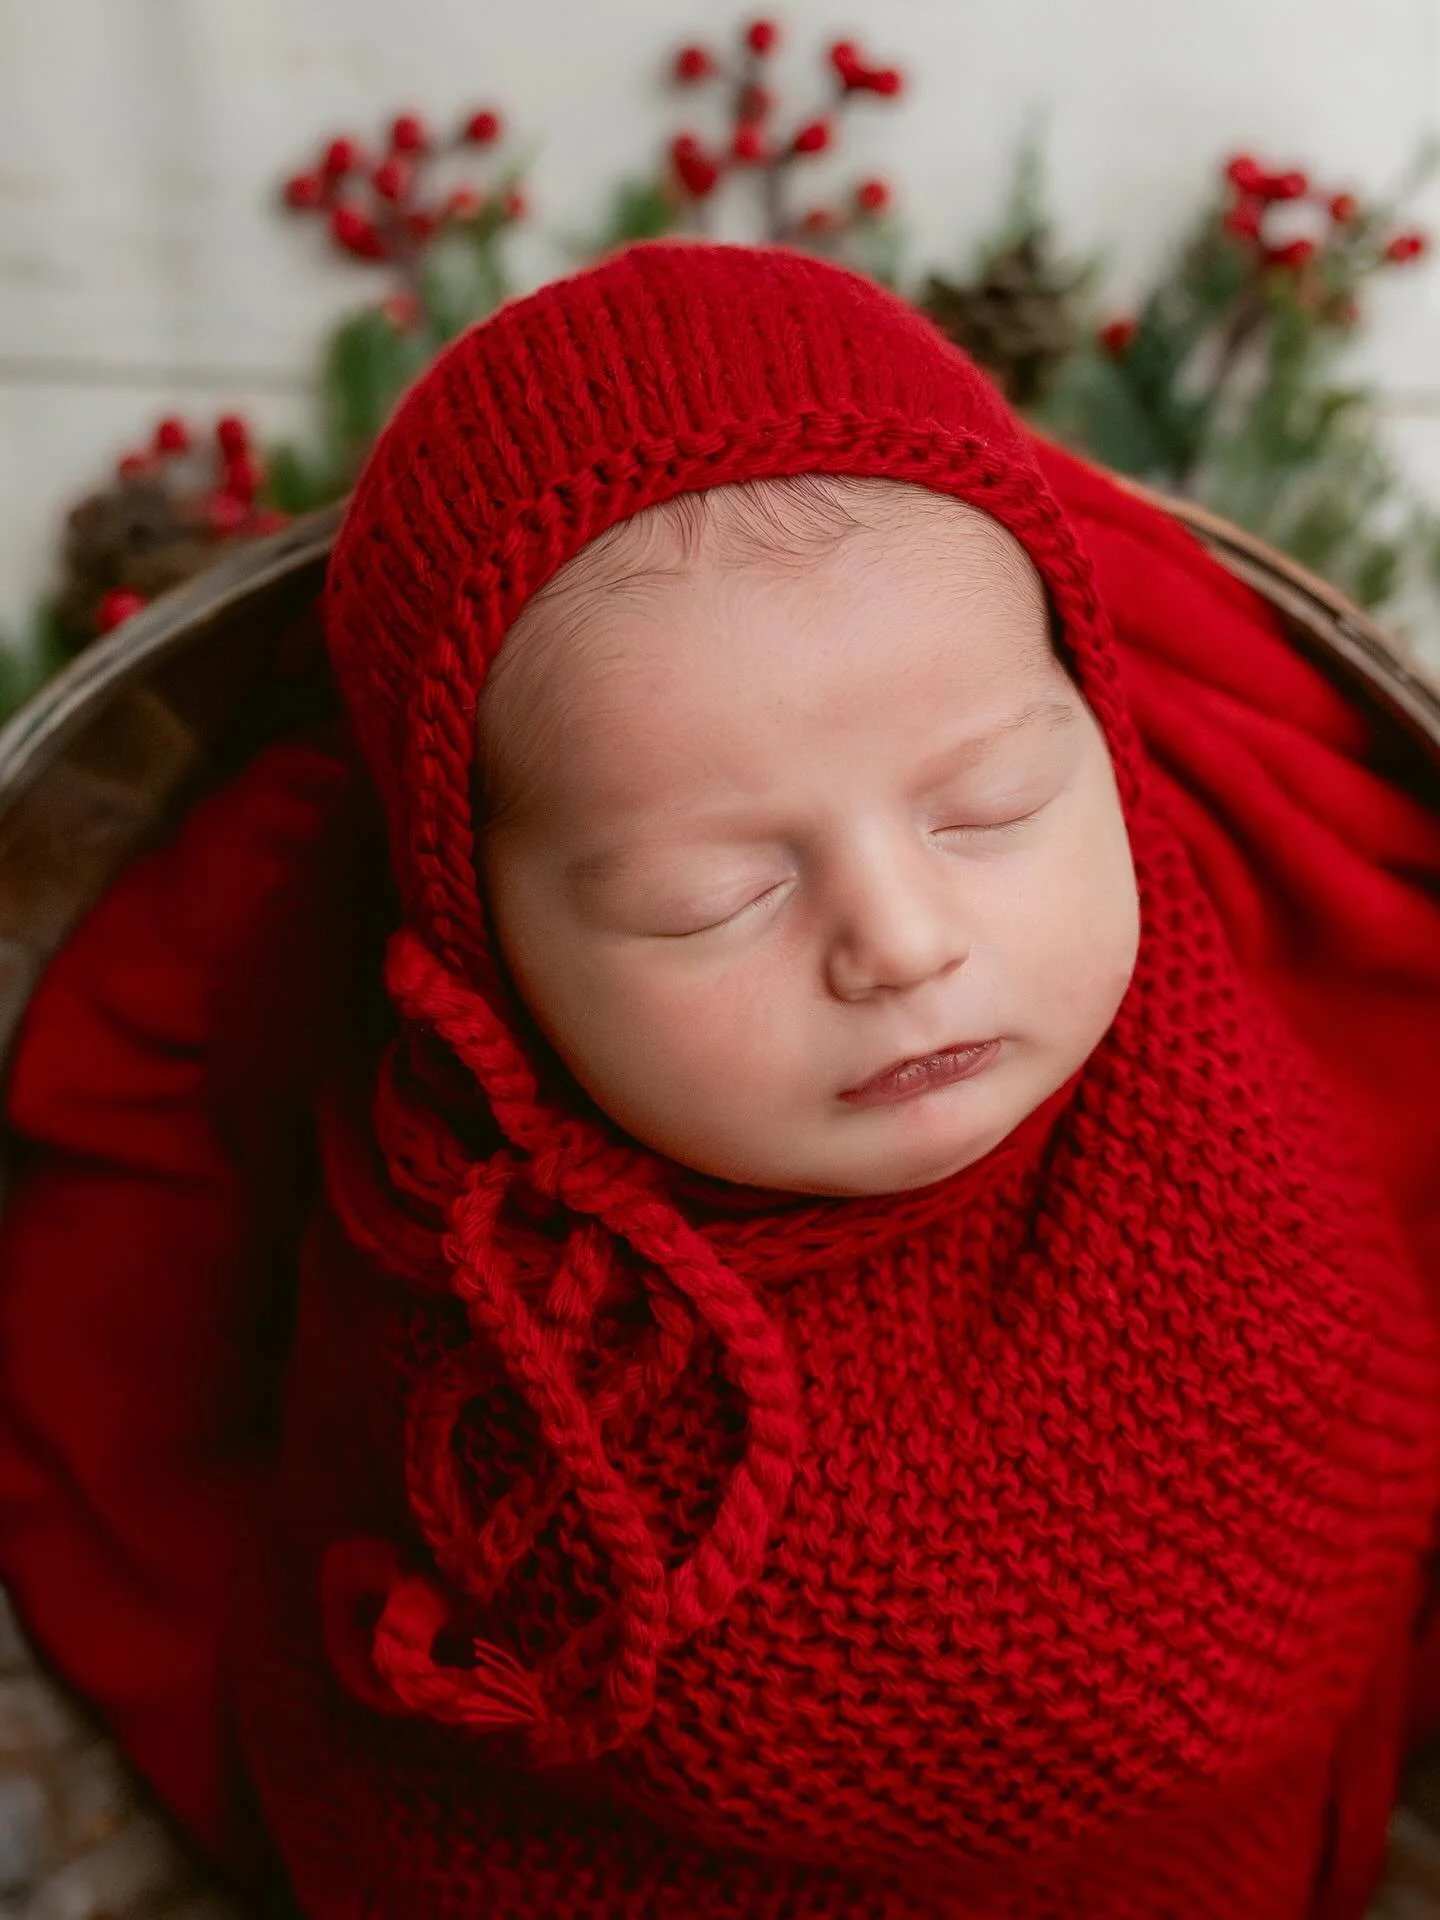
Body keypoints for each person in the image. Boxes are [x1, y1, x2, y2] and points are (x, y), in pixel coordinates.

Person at [5, 241, 1440, 1918]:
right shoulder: (475, 1294)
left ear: (1101, 734)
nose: (899, 941)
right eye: (711, 898)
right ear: (479, 945)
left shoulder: (1205, 1087)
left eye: (987, 807)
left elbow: (1353, 1458)